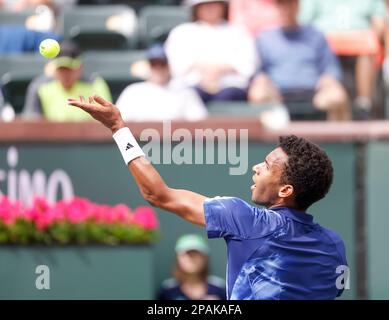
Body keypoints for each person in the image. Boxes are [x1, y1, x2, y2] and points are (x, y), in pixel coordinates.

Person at [68, 94, 349, 300]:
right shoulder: (334, 246)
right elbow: (335, 290)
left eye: (266, 166)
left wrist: (118, 128)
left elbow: (158, 195)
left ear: (285, 190)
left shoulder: (247, 221)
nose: (256, 168)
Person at [248, 0, 350, 121]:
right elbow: (258, 72)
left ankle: (336, 139)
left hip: (314, 94)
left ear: (297, 6)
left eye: (288, 4)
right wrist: (261, 79)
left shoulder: (316, 35)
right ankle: (266, 139)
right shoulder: (265, 38)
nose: (285, 10)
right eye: (281, 6)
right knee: (258, 93)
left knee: (337, 96)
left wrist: (328, 79)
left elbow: (331, 68)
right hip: (277, 96)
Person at [299, 0, 388, 119]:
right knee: (335, 97)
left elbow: (380, 24)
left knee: (369, 43)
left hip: (359, 42)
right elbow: (303, 21)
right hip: (323, 43)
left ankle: (364, 105)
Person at [164, 0, 257, 104]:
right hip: (191, 86)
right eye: (204, 5)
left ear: (222, 6)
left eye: (214, 4)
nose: (209, 8)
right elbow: (176, 66)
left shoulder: (239, 31)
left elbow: (248, 66)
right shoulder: (181, 32)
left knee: (228, 97)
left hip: (230, 86)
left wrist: (219, 69)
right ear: (196, 8)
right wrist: (203, 69)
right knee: (189, 97)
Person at [116, 44, 208, 122]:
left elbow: (200, 124)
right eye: (154, 65)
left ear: (168, 66)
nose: (158, 69)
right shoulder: (133, 91)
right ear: (149, 67)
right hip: (139, 141)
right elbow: (118, 122)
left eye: (162, 64)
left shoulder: (184, 92)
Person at [23, 41, 111, 121]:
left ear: (80, 68)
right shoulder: (39, 86)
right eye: (61, 69)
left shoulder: (96, 84)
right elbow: (32, 121)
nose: (65, 74)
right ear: (54, 70)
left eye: (70, 68)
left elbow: (107, 118)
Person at [157, 234, 226, 300]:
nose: (191, 259)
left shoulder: (219, 288)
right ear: (178, 258)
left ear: (205, 258)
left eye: (196, 254)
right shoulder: (167, 290)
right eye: (187, 254)